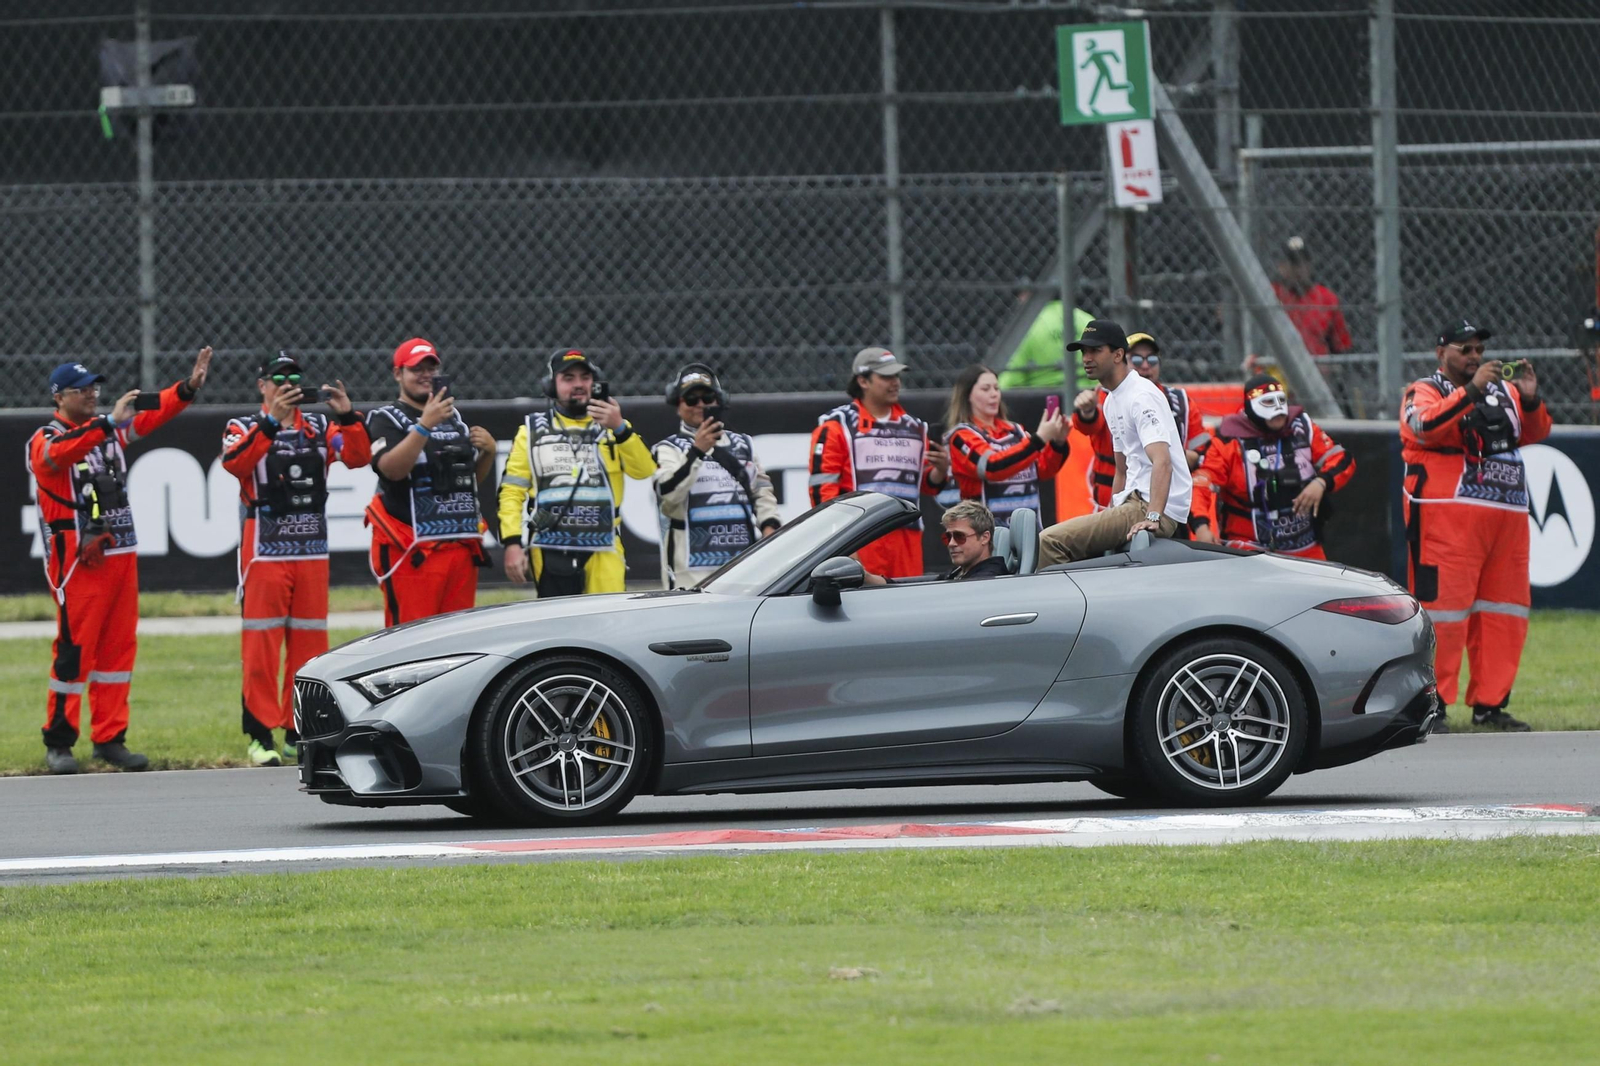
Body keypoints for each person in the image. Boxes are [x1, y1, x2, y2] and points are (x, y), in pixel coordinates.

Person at [27, 347, 214, 774]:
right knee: (75, 653)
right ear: (60, 397)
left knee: (118, 650)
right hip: (79, 562)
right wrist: (107, 422)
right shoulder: (46, 436)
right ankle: (59, 742)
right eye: (83, 390)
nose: (92, 394)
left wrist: (185, 390)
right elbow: (52, 458)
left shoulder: (108, 430)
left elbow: (149, 417)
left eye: (95, 388)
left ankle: (110, 737)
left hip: (121, 554)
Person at [1401, 319, 1551, 732]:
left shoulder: (1505, 391)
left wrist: (1533, 399)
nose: (1474, 357)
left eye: (1479, 350)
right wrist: (1471, 391)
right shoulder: (1424, 389)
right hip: (1446, 520)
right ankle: (1434, 705)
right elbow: (1424, 426)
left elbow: (1534, 432)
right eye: (1464, 350)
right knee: (1444, 615)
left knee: (1504, 613)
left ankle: (1491, 704)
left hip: (1507, 520)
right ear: (1441, 352)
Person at [222, 353, 371, 767]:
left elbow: (358, 457)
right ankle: (259, 735)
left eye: (294, 378)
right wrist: (271, 422)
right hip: (264, 554)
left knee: (310, 648)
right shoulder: (243, 427)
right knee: (261, 648)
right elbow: (236, 463)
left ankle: (297, 731)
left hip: (312, 554)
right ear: (262, 385)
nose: (287, 384)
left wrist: (348, 417)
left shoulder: (321, 428)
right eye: (278, 378)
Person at [500, 349, 656, 598]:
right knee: (559, 630)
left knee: (611, 622)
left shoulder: (613, 426)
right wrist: (512, 542)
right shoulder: (530, 431)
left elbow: (644, 471)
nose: (579, 385)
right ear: (552, 385)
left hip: (604, 546)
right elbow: (512, 490)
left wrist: (619, 427)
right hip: (549, 547)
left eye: (585, 378)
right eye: (568, 378)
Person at [1037, 320, 1192, 565]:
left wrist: (1153, 516)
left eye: (1095, 350)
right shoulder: (1111, 399)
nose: (1086, 358)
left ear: (1118, 354)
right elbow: (1122, 469)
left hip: (1149, 507)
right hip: (1132, 504)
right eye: (1083, 352)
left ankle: (1060, 603)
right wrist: (1111, 513)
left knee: (1049, 541)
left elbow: (1163, 461)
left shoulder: (1141, 395)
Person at [365, 338, 495, 626]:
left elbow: (468, 482)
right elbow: (391, 470)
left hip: (457, 544)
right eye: (416, 369)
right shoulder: (385, 419)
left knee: (455, 638)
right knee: (410, 639)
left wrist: (488, 452)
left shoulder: (454, 418)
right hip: (413, 550)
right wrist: (424, 426)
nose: (426, 375)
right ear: (398, 374)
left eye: (431, 368)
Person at [808, 347, 950, 579]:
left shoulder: (915, 428)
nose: (895, 383)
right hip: (858, 540)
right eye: (886, 377)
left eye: (897, 376)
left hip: (906, 543)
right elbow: (821, 492)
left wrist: (941, 470)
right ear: (863, 381)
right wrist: (841, 545)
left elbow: (925, 485)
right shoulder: (837, 427)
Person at [1191, 375, 1354, 558]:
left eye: (1281, 400)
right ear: (1251, 407)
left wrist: (1321, 483)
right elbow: (1201, 484)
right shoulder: (1229, 442)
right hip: (1248, 547)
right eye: (1268, 402)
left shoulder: (1302, 428)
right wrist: (1201, 526)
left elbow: (1342, 459)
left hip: (1304, 545)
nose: (1278, 410)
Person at [652, 363, 781, 589]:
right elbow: (668, 496)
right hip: (691, 572)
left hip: (744, 563)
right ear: (677, 405)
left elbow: (761, 491)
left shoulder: (744, 444)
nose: (700, 405)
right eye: (691, 399)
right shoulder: (667, 449)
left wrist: (770, 527)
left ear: (718, 400)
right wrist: (697, 452)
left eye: (707, 397)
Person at [1071, 331, 1209, 513]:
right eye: (1136, 360)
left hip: (1168, 505)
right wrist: (1087, 410)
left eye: (1152, 360)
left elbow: (1204, 453)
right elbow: (1088, 425)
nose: (1145, 366)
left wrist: (1170, 454)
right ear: (1121, 359)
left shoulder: (1180, 401)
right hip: (1116, 502)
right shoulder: (1108, 397)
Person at [943, 364, 1070, 522]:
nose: (994, 394)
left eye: (996, 388)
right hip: (986, 536)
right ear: (967, 395)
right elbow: (992, 467)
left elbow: (1043, 470)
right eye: (986, 389)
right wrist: (1039, 439)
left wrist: (1058, 443)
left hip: (1027, 533)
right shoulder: (961, 437)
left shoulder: (1016, 431)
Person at [862, 500, 1011, 585]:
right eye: (948, 537)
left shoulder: (987, 580)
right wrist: (867, 578)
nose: (952, 543)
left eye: (960, 536)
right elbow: (914, 588)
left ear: (985, 537)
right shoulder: (961, 573)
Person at [1271, 236, 1351, 362]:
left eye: (1302, 263)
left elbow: (1341, 346)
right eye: (1292, 263)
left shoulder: (1326, 298)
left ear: (1309, 266)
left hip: (1316, 371)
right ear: (1280, 267)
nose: (1297, 269)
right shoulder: (1270, 294)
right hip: (1276, 369)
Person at [997, 301, 1095, 392]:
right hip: (1084, 395)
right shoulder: (1087, 321)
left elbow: (1010, 379)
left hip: (1040, 400)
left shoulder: (1028, 325)